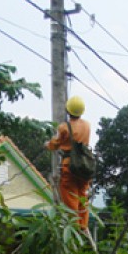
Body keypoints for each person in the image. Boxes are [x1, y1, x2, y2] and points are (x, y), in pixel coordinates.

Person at [45, 95, 91, 229]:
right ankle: (83, 225)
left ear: (68, 110)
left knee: (71, 197)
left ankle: (75, 228)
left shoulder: (64, 128)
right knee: (82, 195)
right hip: (85, 166)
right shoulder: (87, 125)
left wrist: (47, 145)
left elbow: (55, 144)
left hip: (69, 165)